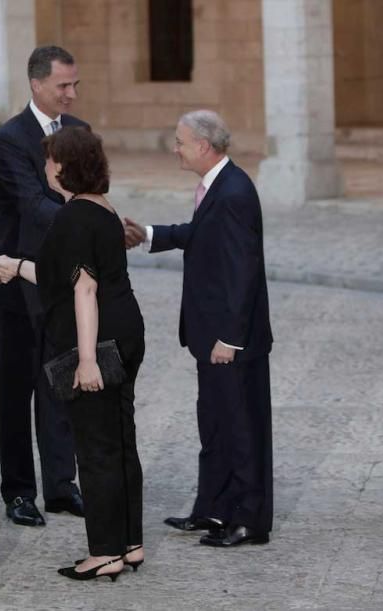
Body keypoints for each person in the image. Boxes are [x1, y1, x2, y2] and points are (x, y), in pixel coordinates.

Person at [0, 126, 145, 582]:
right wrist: (14, 266)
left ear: (64, 166)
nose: (46, 166)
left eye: (51, 159)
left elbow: (84, 288)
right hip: (127, 329)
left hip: (99, 339)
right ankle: (130, 544)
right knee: (120, 439)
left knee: (95, 446)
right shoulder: (101, 208)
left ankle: (105, 553)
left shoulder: (72, 217)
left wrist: (88, 358)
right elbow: (63, 274)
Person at [124, 110, 274, 548]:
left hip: (231, 340)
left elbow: (242, 272)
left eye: (181, 141)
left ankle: (249, 519)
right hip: (209, 336)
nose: (176, 149)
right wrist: (149, 234)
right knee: (214, 424)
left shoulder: (234, 192)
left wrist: (230, 337)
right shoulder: (217, 186)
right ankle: (213, 508)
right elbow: (201, 234)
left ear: (204, 146)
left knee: (241, 429)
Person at [0, 44, 87, 526]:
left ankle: (61, 486)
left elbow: (93, 190)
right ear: (36, 83)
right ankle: (18, 491)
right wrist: (85, 220)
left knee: (61, 383)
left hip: (65, 282)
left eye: (74, 85)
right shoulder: (10, 138)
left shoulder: (81, 133)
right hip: (18, 282)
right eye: (63, 85)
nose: (70, 93)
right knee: (17, 390)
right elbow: (30, 202)